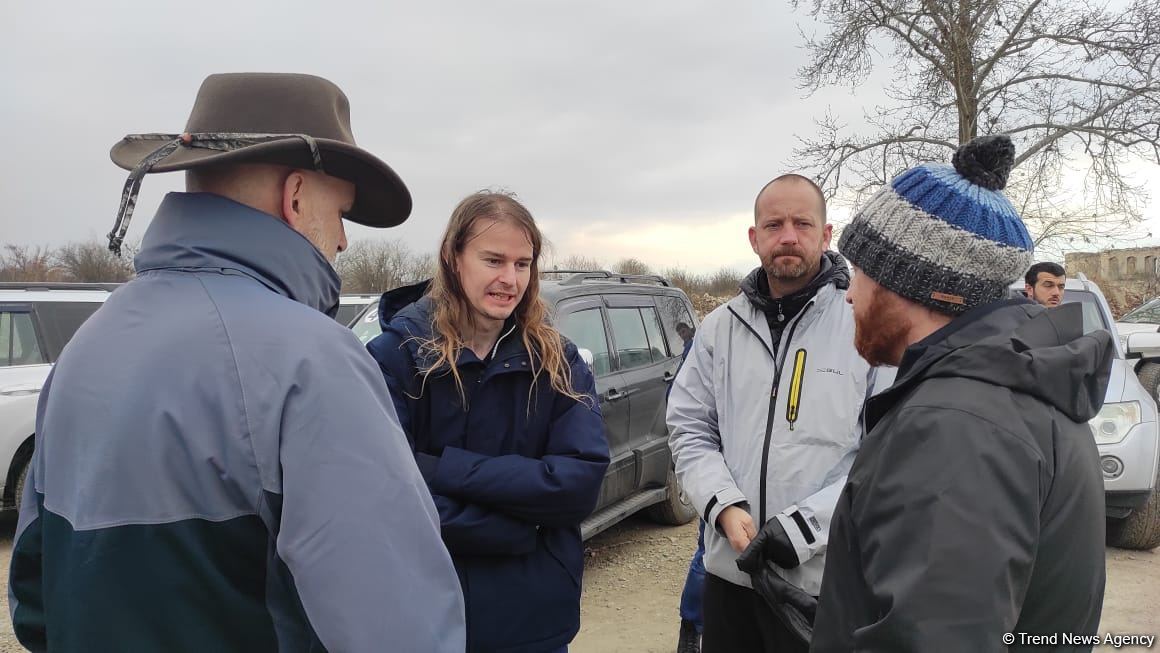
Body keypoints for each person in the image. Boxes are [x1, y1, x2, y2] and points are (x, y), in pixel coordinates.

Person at [8, 73, 465, 653]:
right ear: (295, 197)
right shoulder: (312, 358)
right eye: (342, 212)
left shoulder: (89, 343)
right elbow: (399, 628)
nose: (345, 240)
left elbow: (34, 594)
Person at [813, 135, 1110, 652]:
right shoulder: (1011, 388)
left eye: (861, 271)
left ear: (912, 284)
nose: (849, 291)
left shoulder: (954, 427)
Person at [366, 191, 610, 653]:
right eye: (493, 260)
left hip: (533, 620)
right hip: (426, 618)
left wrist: (442, 468)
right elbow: (384, 493)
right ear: (454, 258)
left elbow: (578, 483)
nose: (509, 279)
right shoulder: (396, 360)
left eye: (523, 264)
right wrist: (513, 529)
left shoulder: (558, 362)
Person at [668, 174, 876, 653]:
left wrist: (805, 527)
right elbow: (689, 428)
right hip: (732, 577)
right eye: (774, 224)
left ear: (826, 236)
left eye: (802, 223)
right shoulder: (720, 328)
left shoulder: (863, 325)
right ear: (754, 237)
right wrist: (721, 504)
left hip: (824, 584)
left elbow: (885, 451)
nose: (788, 235)